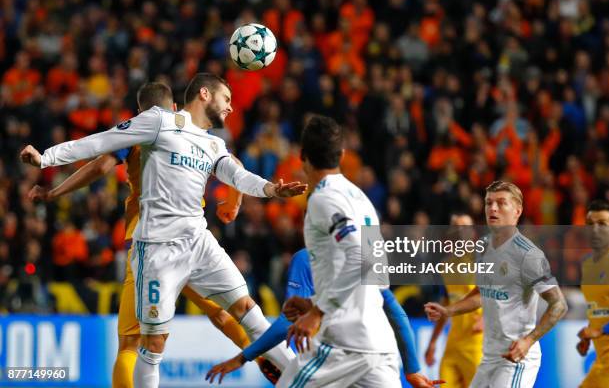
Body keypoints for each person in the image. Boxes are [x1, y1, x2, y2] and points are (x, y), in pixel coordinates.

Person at [20, 72, 305, 388]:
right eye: (227, 99)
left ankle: (303, 378)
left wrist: (271, 190)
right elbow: (102, 141)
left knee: (247, 311)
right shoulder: (157, 122)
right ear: (204, 95)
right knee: (154, 344)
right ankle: (273, 362)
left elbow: (236, 173)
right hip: (156, 250)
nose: (231, 108)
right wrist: (46, 158)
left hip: (198, 242)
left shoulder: (212, 143)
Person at [269, 115, 405, 387]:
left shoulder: (323, 199)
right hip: (378, 343)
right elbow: (377, 276)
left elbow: (356, 258)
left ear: (301, 155)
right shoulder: (362, 199)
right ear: (342, 155)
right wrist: (313, 301)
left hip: (341, 342)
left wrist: (318, 311)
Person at [206, 247, 441, 387]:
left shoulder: (307, 258)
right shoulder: (366, 258)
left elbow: (286, 323)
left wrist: (243, 357)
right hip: (382, 354)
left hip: (340, 351)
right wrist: (412, 369)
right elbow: (397, 316)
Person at [424, 181, 568, 388]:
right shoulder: (483, 247)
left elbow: (559, 304)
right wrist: (448, 310)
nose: (492, 208)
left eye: (501, 203)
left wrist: (528, 341)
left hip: (515, 359)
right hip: (489, 358)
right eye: (489, 203)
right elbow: (482, 292)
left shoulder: (528, 255)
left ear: (517, 211)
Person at [424, 212, 483, 388]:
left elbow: (503, 295)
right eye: (456, 227)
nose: (459, 231)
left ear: (473, 234)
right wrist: (433, 342)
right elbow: (445, 306)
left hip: (477, 343)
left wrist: (488, 318)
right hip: (453, 344)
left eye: (464, 227)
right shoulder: (444, 267)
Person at [576, 199, 609, 388]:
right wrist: (589, 334)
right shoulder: (587, 265)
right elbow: (600, 308)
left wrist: (600, 330)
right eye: (590, 224)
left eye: (602, 224)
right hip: (603, 360)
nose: (595, 230)